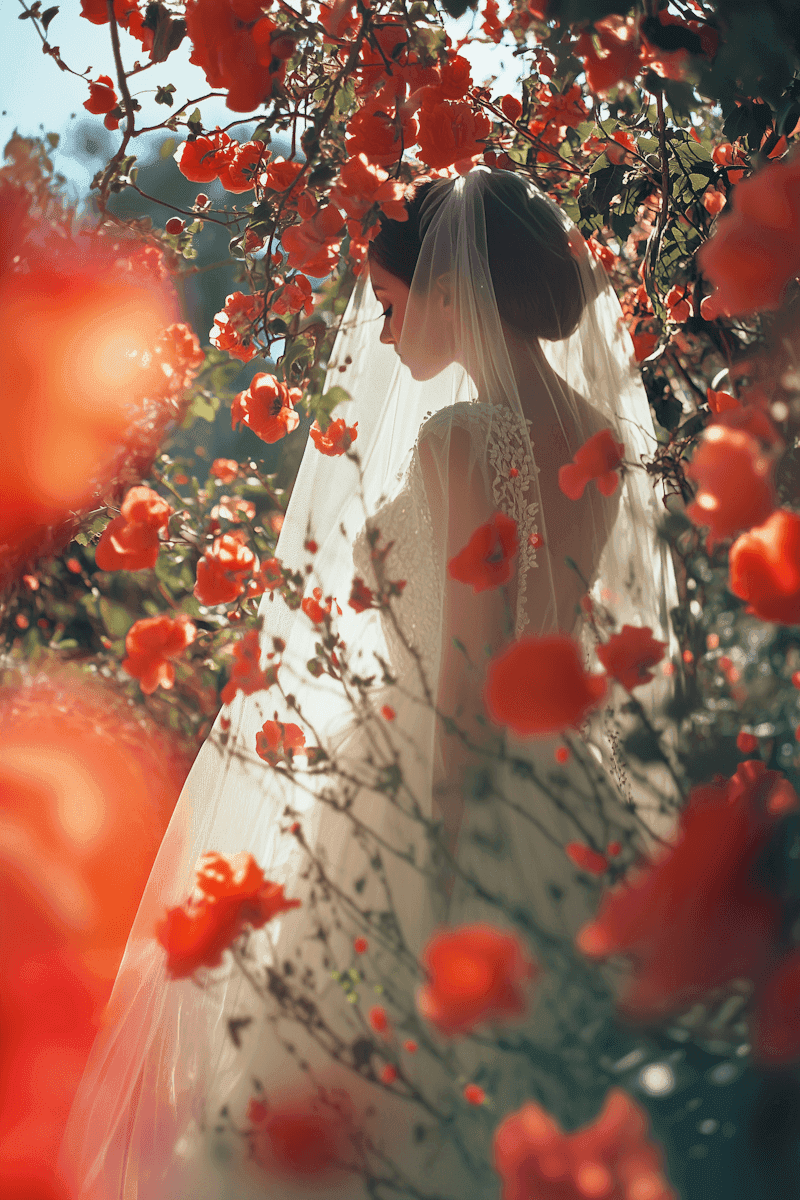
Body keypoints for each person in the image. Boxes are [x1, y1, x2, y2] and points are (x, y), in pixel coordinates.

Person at [58, 166, 682, 1200]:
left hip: (437, 797)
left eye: (391, 305)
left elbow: (468, 687)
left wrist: (438, 880)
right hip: (568, 798)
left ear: (448, 288)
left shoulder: (459, 439)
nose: (385, 337)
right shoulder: (598, 439)